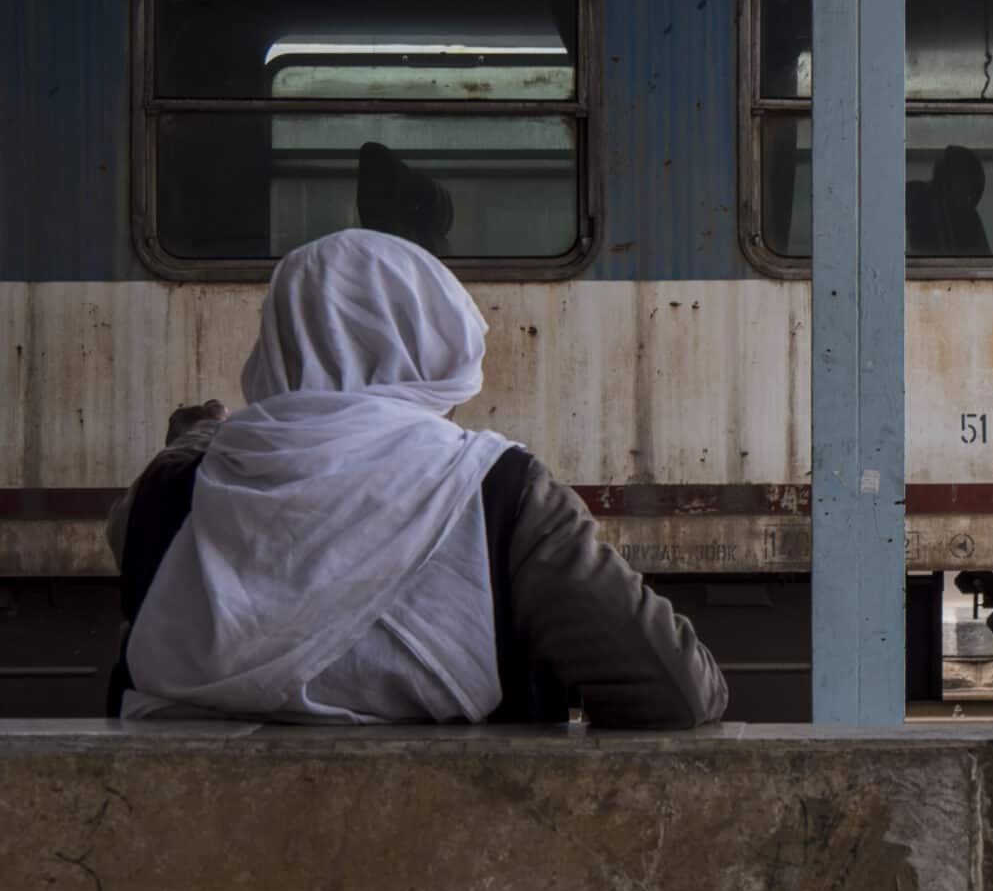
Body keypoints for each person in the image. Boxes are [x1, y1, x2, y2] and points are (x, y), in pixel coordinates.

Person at [106, 229, 727, 728]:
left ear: (276, 343)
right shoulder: (498, 492)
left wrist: (201, 436)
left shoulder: (173, 493)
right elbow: (677, 691)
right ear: (436, 347)